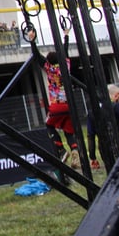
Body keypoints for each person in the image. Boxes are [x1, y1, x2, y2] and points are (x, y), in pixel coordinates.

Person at [28, 28, 80, 170]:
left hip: (56, 105)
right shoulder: (66, 66)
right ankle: (75, 149)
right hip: (68, 104)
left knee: (49, 125)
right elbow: (65, 50)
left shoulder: (49, 69)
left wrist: (32, 41)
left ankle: (61, 149)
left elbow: (37, 56)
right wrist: (66, 35)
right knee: (69, 130)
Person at [86, 83, 119, 170]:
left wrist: (92, 156)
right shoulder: (117, 107)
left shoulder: (92, 112)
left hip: (104, 149)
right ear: (116, 95)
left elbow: (90, 135)